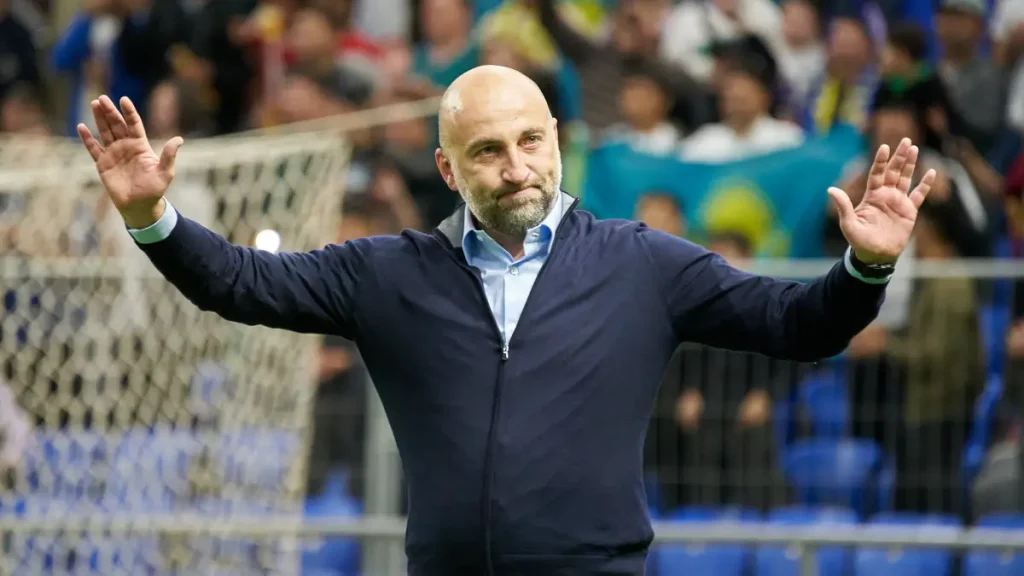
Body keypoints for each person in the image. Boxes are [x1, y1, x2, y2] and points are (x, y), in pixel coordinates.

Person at [79, 65, 933, 575]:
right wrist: (153, 218)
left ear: (555, 140)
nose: (517, 167)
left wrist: (865, 265)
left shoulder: (641, 263)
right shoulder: (386, 273)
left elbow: (797, 324)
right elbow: (240, 283)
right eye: (487, 151)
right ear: (449, 170)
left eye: (530, 141)